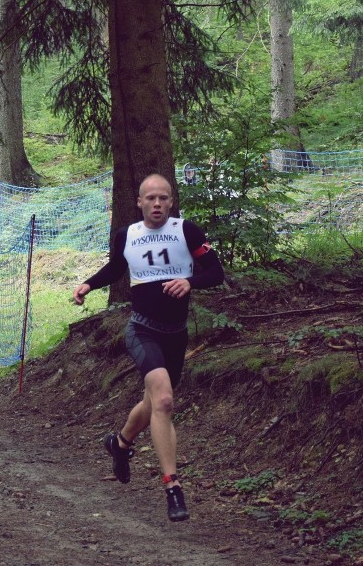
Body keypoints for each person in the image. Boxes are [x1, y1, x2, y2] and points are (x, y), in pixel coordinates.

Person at [73, 174, 224, 522]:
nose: (157, 204)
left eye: (164, 198)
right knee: (165, 401)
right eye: (150, 198)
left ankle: (121, 442)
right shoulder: (127, 235)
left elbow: (216, 272)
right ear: (139, 202)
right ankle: (172, 486)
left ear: (171, 202)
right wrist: (87, 284)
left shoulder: (188, 231)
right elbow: (115, 268)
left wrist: (189, 281)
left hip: (176, 332)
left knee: (151, 403)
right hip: (142, 330)